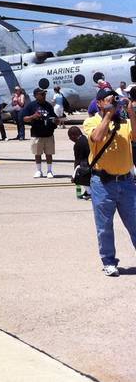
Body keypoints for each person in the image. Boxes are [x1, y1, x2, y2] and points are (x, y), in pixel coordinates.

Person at [81, 88, 136, 276]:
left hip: (127, 182)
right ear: (99, 103)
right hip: (103, 183)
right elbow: (96, 137)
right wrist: (108, 114)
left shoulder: (125, 122)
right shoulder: (91, 121)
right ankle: (109, 261)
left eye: (114, 99)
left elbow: (135, 136)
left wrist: (130, 112)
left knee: (134, 222)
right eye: (108, 99)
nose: (113, 102)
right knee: (104, 226)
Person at [22, 88, 57, 178]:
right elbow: (24, 118)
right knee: (37, 153)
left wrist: (56, 120)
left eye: (44, 94)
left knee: (49, 153)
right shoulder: (31, 106)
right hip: (37, 134)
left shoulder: (48, 105)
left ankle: (49, 171)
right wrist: (33, 116)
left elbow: (53, 116)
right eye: (42, 94)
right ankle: (39, 170)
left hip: (48, 133)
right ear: (35, 96)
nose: (44, 96)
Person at [68, 125, 91, 200]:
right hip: (91, 162)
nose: (70, 139)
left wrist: (74, 174)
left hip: (86, 165)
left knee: (79, 177)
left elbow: (78, 160)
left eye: (70, 137)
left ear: (74, 135)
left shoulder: (78, 144)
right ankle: (88, 192)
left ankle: (90, 193)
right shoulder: (84, 138)